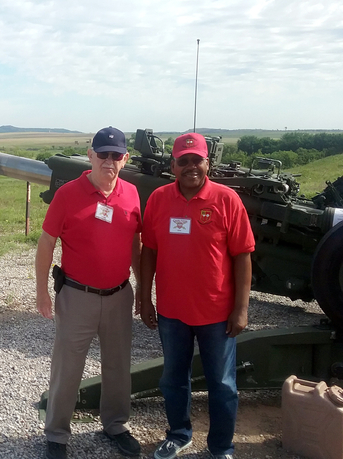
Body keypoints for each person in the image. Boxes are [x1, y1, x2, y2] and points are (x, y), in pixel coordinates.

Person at [138, 133, 255, 459]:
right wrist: (145, 297)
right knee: (173, 380)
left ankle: (221, 448)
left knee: (222, 385)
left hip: (217, 313)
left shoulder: (227, 200)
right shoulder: (160, 199)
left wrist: (241, 309)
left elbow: (243, 256)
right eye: (183, 161)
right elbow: (149, 251)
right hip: (172, 312)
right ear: (173, 165)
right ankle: (179, 435)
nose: (191, 167)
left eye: (197, 160)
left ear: (208, 163)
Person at [35, 127, 143, 459]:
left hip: (118, 294)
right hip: (77, 296)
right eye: (103, 154)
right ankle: (56, 434)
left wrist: (143, 290)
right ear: (90, 154)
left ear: (124, 159)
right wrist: (42, 293)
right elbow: (46, 243)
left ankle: (115, 425)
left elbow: (136, 245)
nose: (108, 161)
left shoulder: (132, 194)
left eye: (116, 155)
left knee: (117, 366)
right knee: (67, 367)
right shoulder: (68, 193)